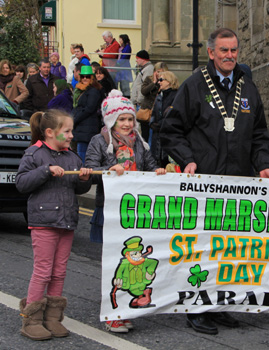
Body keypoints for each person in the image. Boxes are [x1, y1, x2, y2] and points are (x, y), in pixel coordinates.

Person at [160, 27, 269, 335]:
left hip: (239, 184)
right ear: (211, 52)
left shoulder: (248, 88)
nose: (229, 56)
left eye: (234, 50)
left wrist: (264, 164)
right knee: (202, 250)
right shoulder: (194, 86)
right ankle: (198, 308)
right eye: (223, 50)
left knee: (230, 250)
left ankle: (221, 305)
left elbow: (260, 135)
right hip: (205, 185)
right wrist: (188, 160)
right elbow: (171, 130)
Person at [85, 90, 166, 332]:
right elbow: (90, 169)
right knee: (114, 261)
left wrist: (159, 171)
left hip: (134, 210)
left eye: (130, 119)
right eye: (122, 119)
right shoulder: (99, 141)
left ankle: (124, 309)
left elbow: (150, 165)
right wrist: (111, 168)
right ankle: (112, 313)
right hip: (109, 207)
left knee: (134, 264)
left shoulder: (140, 142)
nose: (128, 124)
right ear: (111, 120)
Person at [15, 109, 92, 340]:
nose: (71, 135)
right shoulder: (35, 154)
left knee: (59, 272)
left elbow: (77, 188)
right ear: (50, 132)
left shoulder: (72, 157)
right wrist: (45, 171)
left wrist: (84, 179)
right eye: (66, 131)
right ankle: (32, 320)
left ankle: (52, 318)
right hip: (43, 222)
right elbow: (21, 183)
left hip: (66, 222)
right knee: (43, 272)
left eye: (71, 131)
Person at [73, 65, 103, 164]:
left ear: (92, 78)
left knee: (83, 154)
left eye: (87, 76)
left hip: (87, 127)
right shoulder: (83, 90)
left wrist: (76, 118)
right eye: (83, 76)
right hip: (83, 127)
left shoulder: (93, 91)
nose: (85, 78)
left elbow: (89, 108)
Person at [149, 71, 179, 167]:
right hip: (157, 133)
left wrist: (162, 123)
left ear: (169, 81)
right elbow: (154, 112)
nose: (159, 82)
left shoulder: (177, 96)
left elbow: (175, 115)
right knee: (157, 159)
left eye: (161, 80)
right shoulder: (159, 96)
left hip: (169, 133)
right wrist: (152, 123)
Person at [141, 62, 169, 143]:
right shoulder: (148, 79)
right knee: (145, 136)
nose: (159, 74)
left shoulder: (166, 81)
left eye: (161, 72)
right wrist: (154, 82)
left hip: (158, 112)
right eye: (157, 71)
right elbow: (144, 91)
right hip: (147, 110)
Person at [130, 50, 154, 139]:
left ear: (142, 59)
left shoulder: (148, 69)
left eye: (137, 59)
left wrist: (139, 100)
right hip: (140, 103)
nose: (136, 60)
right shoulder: (144, 69)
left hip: (143, 104)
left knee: (144, 131)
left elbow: (145, 86)